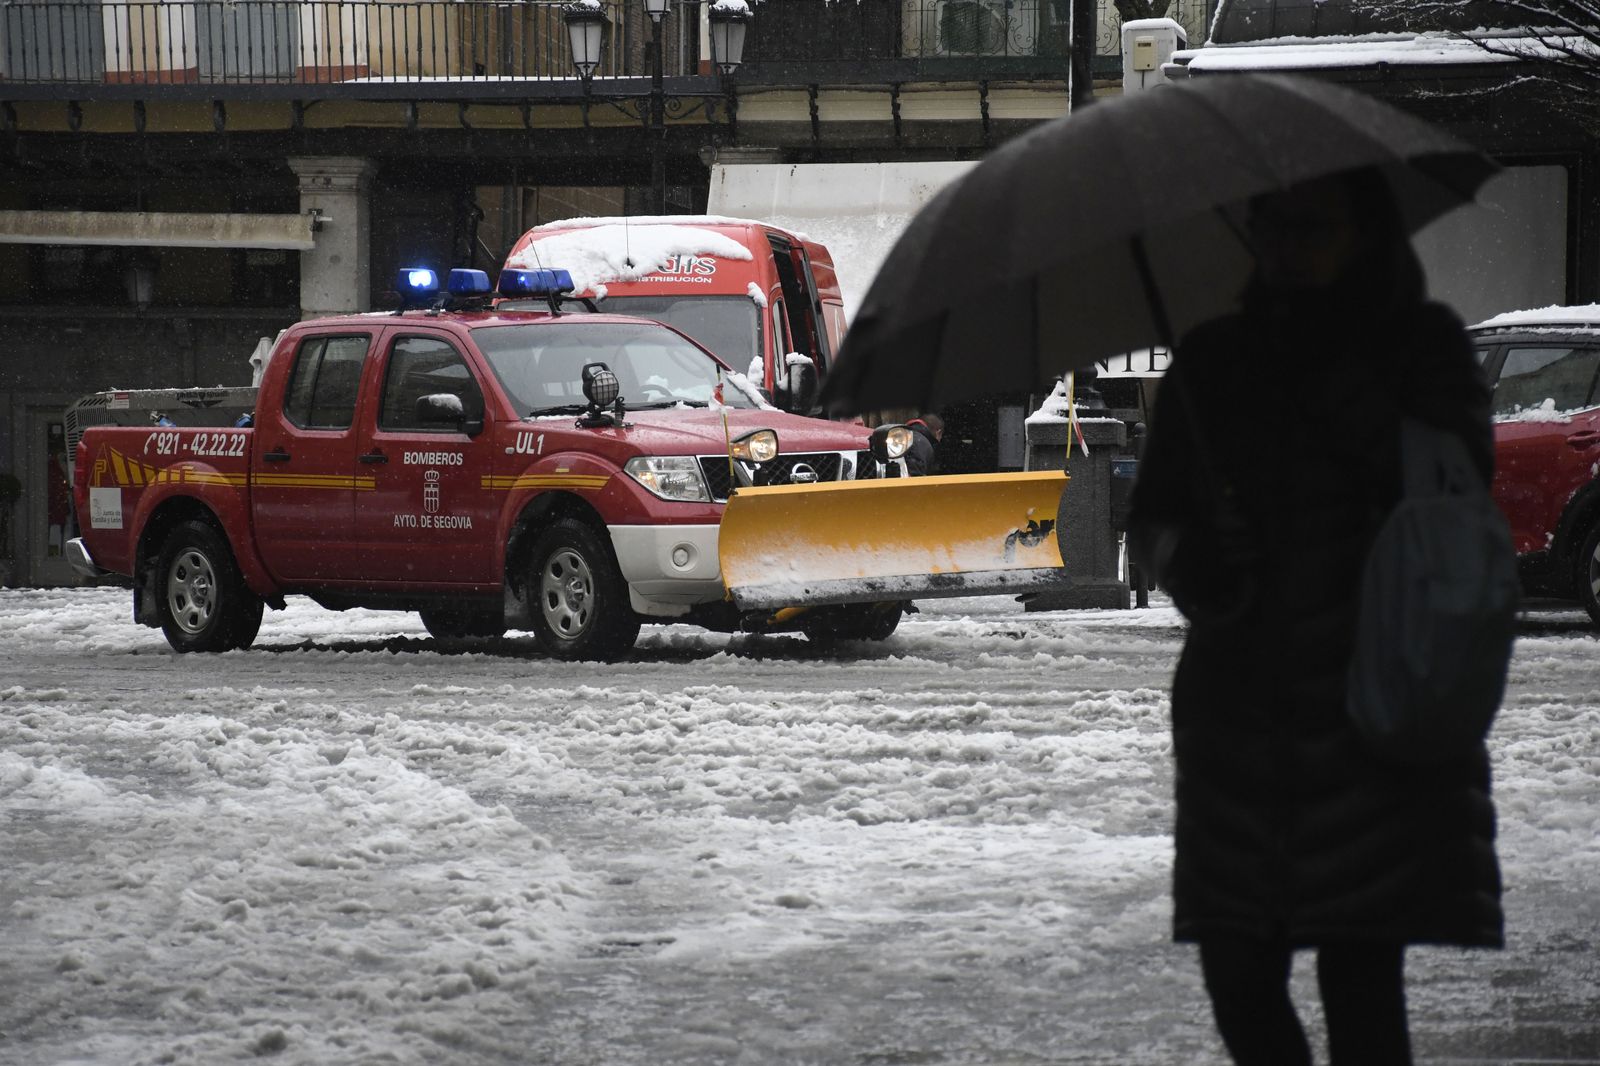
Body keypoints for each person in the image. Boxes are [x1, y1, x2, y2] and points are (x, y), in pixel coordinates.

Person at [1126, 169, 1503, 1066]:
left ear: (1363, 231)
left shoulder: (1422, 349)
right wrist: (1197, 566)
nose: (1288, 245)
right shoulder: (1214, 358)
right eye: (1273, 225)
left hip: (1373, 701)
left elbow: (1457, 496)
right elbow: (1154, 519)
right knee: (1238, 974)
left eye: (1313, 226)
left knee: (1361, 978)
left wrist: (1327, 381)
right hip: (1239, 719)